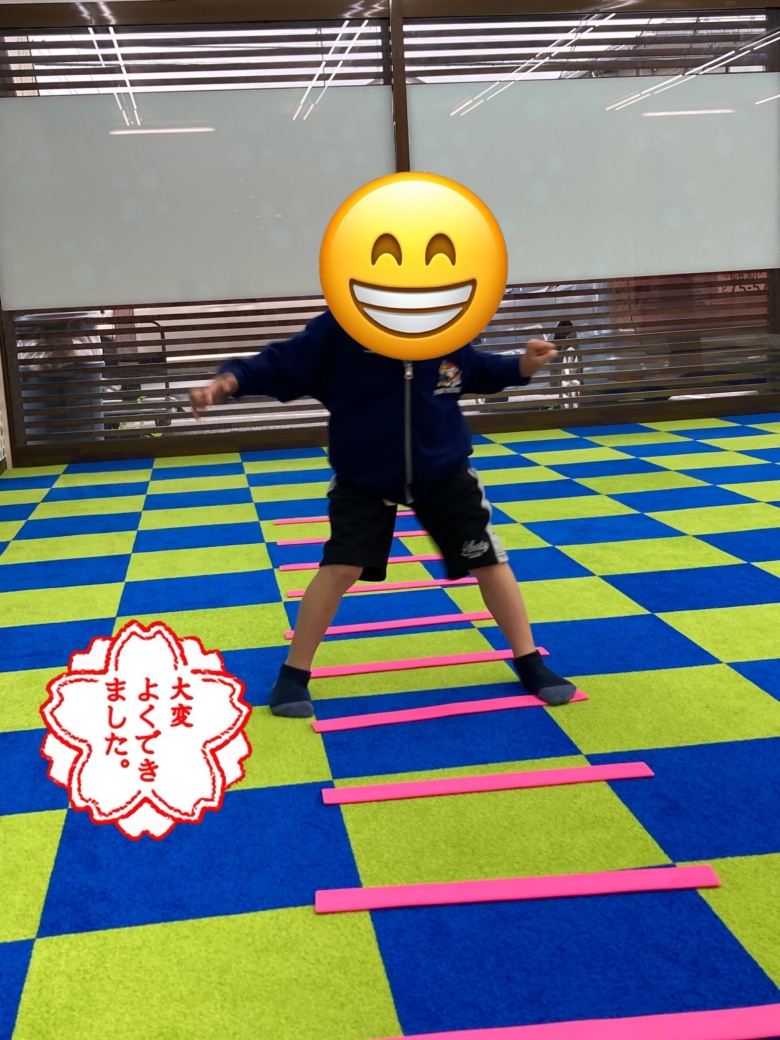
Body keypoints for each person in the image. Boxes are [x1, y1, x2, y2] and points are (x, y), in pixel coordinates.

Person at [190, 309, 577, 718]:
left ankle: (529, 660)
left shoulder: (442, 325)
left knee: (488, 560)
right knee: (341, 567)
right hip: (364, 476)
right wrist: (228, 381)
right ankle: (293, 673)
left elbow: (474, 368)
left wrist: (521, 366)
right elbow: (281, 362)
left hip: (443, 471)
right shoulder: (340, 329)